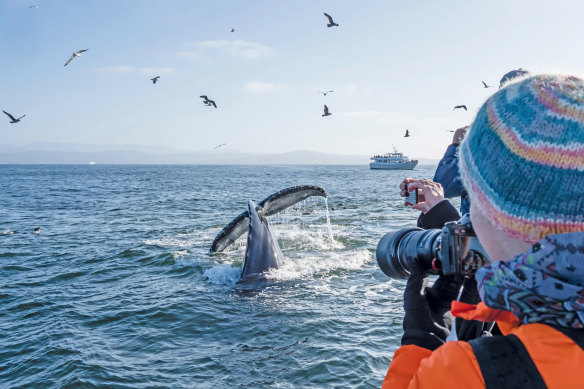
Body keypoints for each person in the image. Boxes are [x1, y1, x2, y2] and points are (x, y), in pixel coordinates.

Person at [382, 74, 584, 388]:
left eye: (476, 198)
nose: (467, 220)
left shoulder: (469, 372)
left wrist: (420, 346)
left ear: (503, 217)